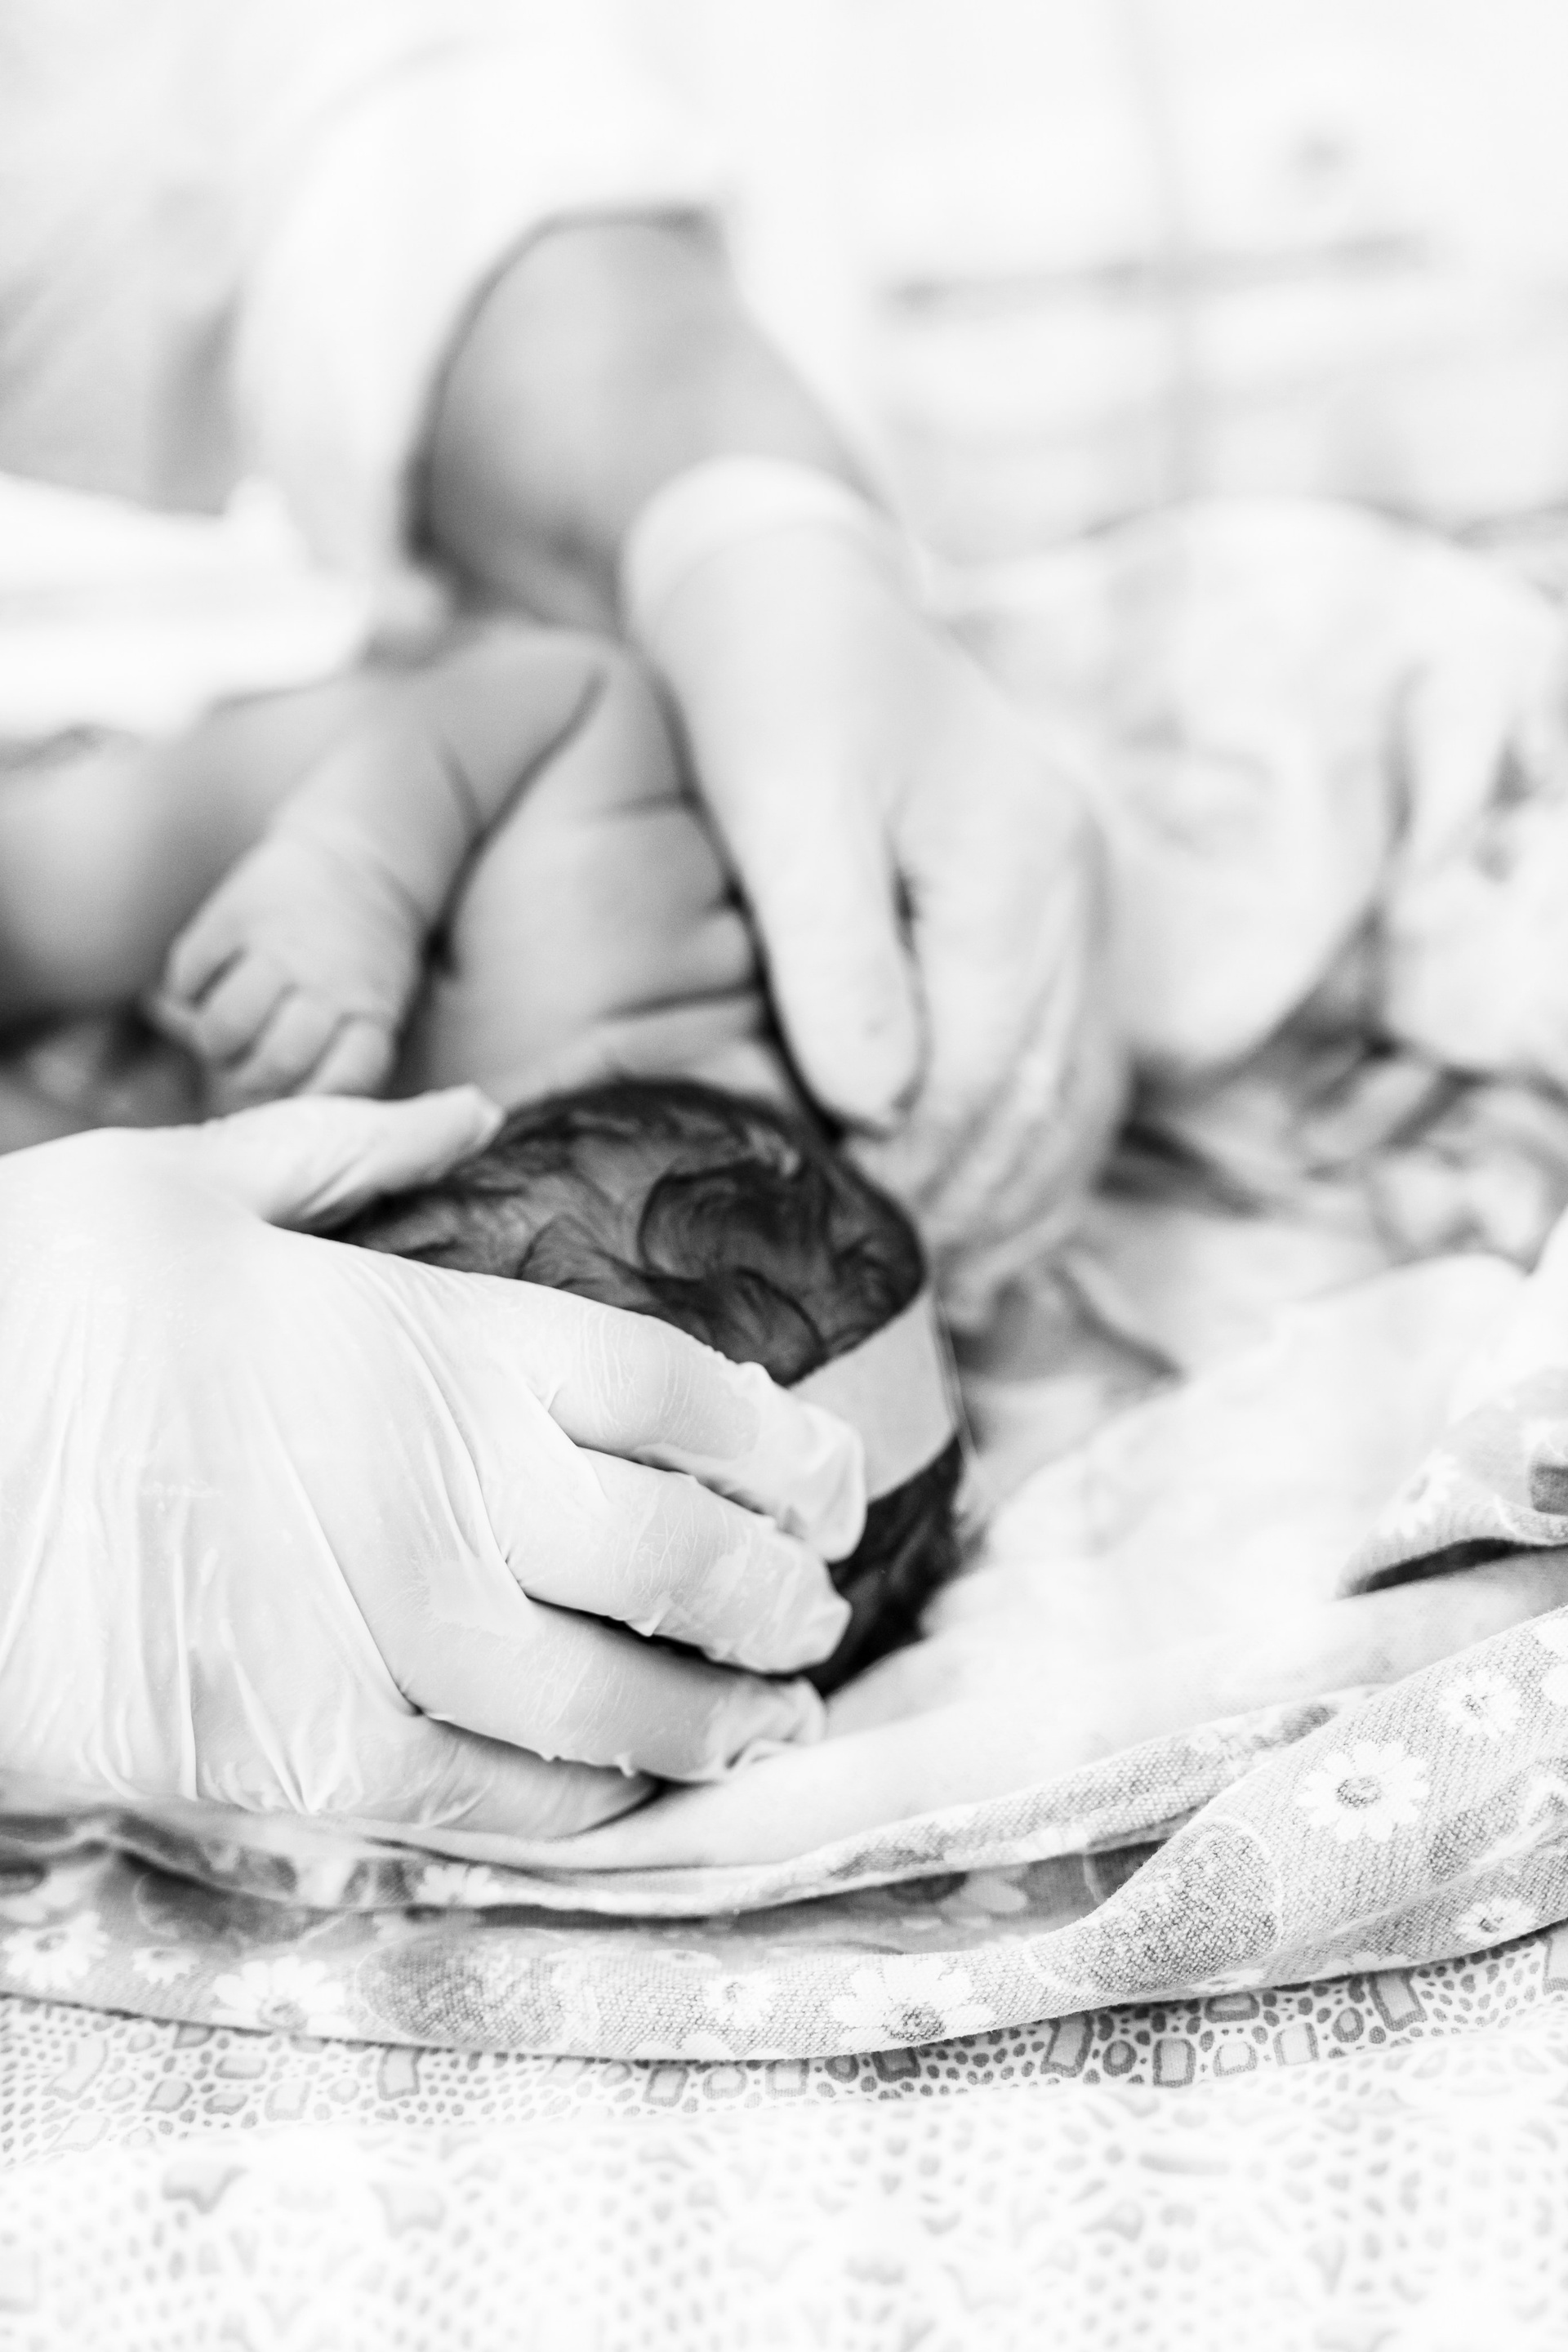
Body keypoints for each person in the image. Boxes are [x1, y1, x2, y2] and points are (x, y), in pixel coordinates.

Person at [0, 0, 1114, 1845]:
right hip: (266, 787)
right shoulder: (607, 995)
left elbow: (267, 133)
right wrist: (354, 875)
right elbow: (562, 698)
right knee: (68, 875)